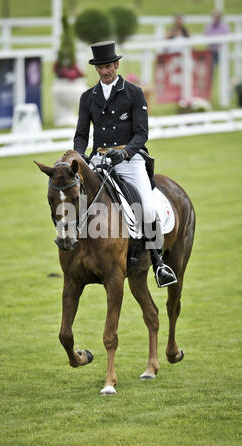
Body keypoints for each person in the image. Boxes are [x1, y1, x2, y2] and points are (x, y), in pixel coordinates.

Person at [73, 40, 177, 287]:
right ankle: (75, 251)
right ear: (96, 69)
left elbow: (141, 133)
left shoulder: (134, 93)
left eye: (108, 66)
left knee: (148, 209)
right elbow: (81, 135)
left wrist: (127, 153)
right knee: (75, 199)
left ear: (117, 64)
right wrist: (79, 156)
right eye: (100, 68)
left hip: (130, 161)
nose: (105, 72)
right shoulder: (88, 97)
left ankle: (158, 262)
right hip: (99, 159)